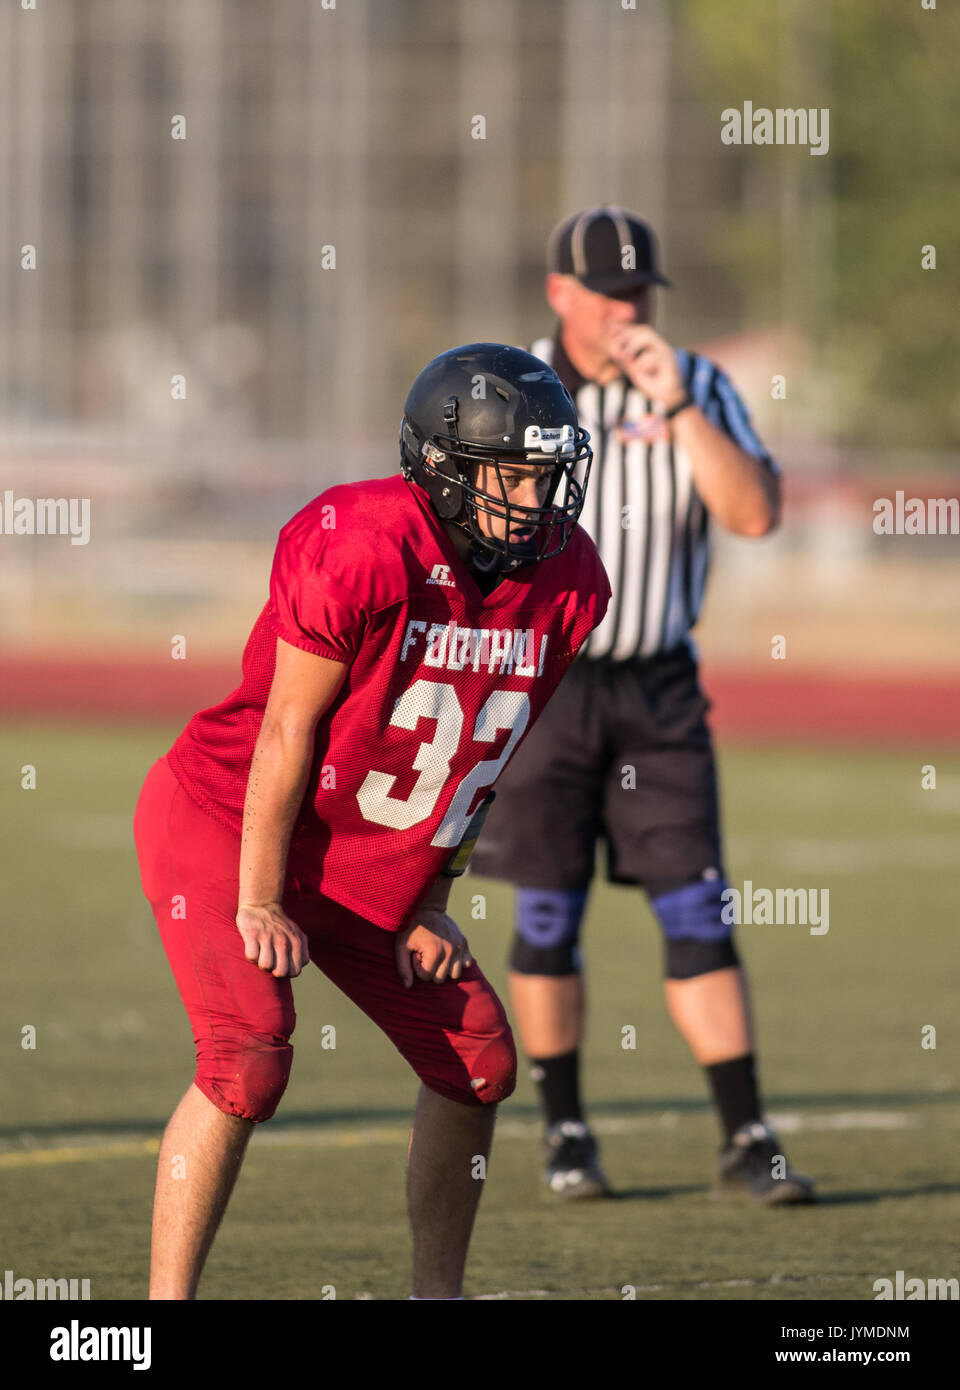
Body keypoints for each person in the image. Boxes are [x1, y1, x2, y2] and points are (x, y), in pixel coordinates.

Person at [133, 342, 610, 1299]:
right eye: (515, 473)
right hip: (229, 817)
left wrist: (431, 896)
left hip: (365, 851)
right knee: (249, 1056)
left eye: (548, 474)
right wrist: (260, 900)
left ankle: (437, 1294)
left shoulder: (569, 584)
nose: (538, 498)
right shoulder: (361, 540)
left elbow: (486, 751)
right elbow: (285, 733)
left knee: (478, 1061)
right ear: (440, 466)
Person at [470, 207, 814, 1206]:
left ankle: (746, 1131)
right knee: (546, 910)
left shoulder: (695, 381)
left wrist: (679, 410)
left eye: (639, 293)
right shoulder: (512, 384)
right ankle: (567, 1127)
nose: (627, 310)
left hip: (658, 683)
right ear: (559, 292)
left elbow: (753, 514)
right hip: (547, 677)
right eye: (609, 292)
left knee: (696, 906)